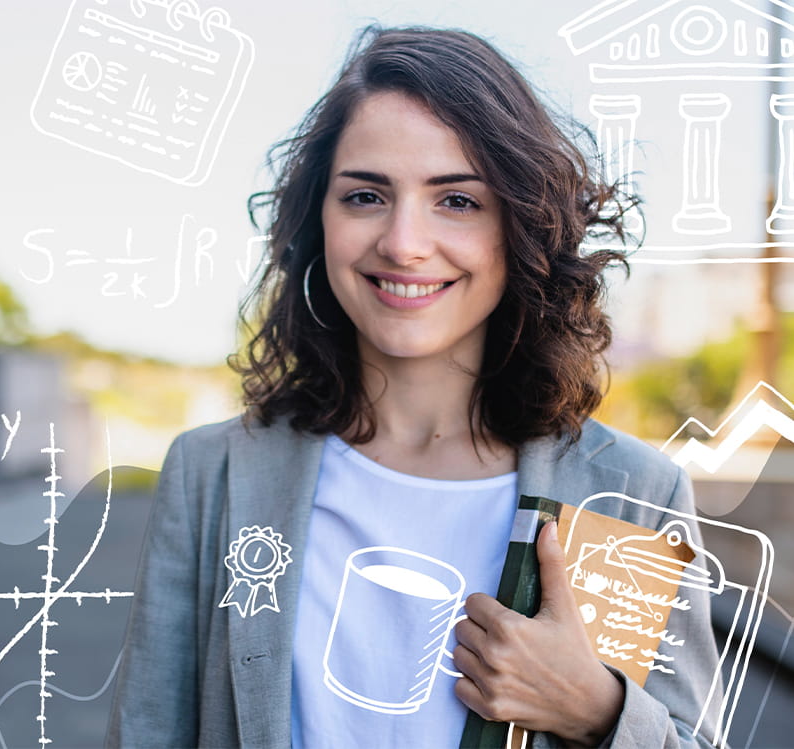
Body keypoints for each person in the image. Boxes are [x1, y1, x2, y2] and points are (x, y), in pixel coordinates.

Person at [107, 26, 723, 749]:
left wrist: (595, 708)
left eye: (456, 201)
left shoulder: (632, 490)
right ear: (319, 222)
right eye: (366, 195)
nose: (403, 242)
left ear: (519, 226)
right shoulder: (211, 474)